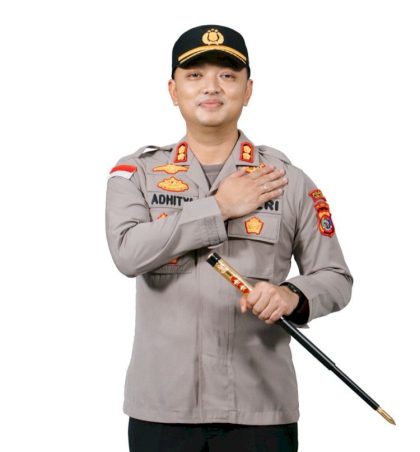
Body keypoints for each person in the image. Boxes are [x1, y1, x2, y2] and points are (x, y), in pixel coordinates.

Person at [105, 24, 353, 452]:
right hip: (162, 410)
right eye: (195, 75)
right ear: (173, 90)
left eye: (227, 74)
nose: (211, 87)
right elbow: (128, 253)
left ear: (248, 89)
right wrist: (219, 207)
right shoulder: (136, 174)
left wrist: (291, 295)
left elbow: (335, 277)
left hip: (261, 409)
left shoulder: (287, 181)